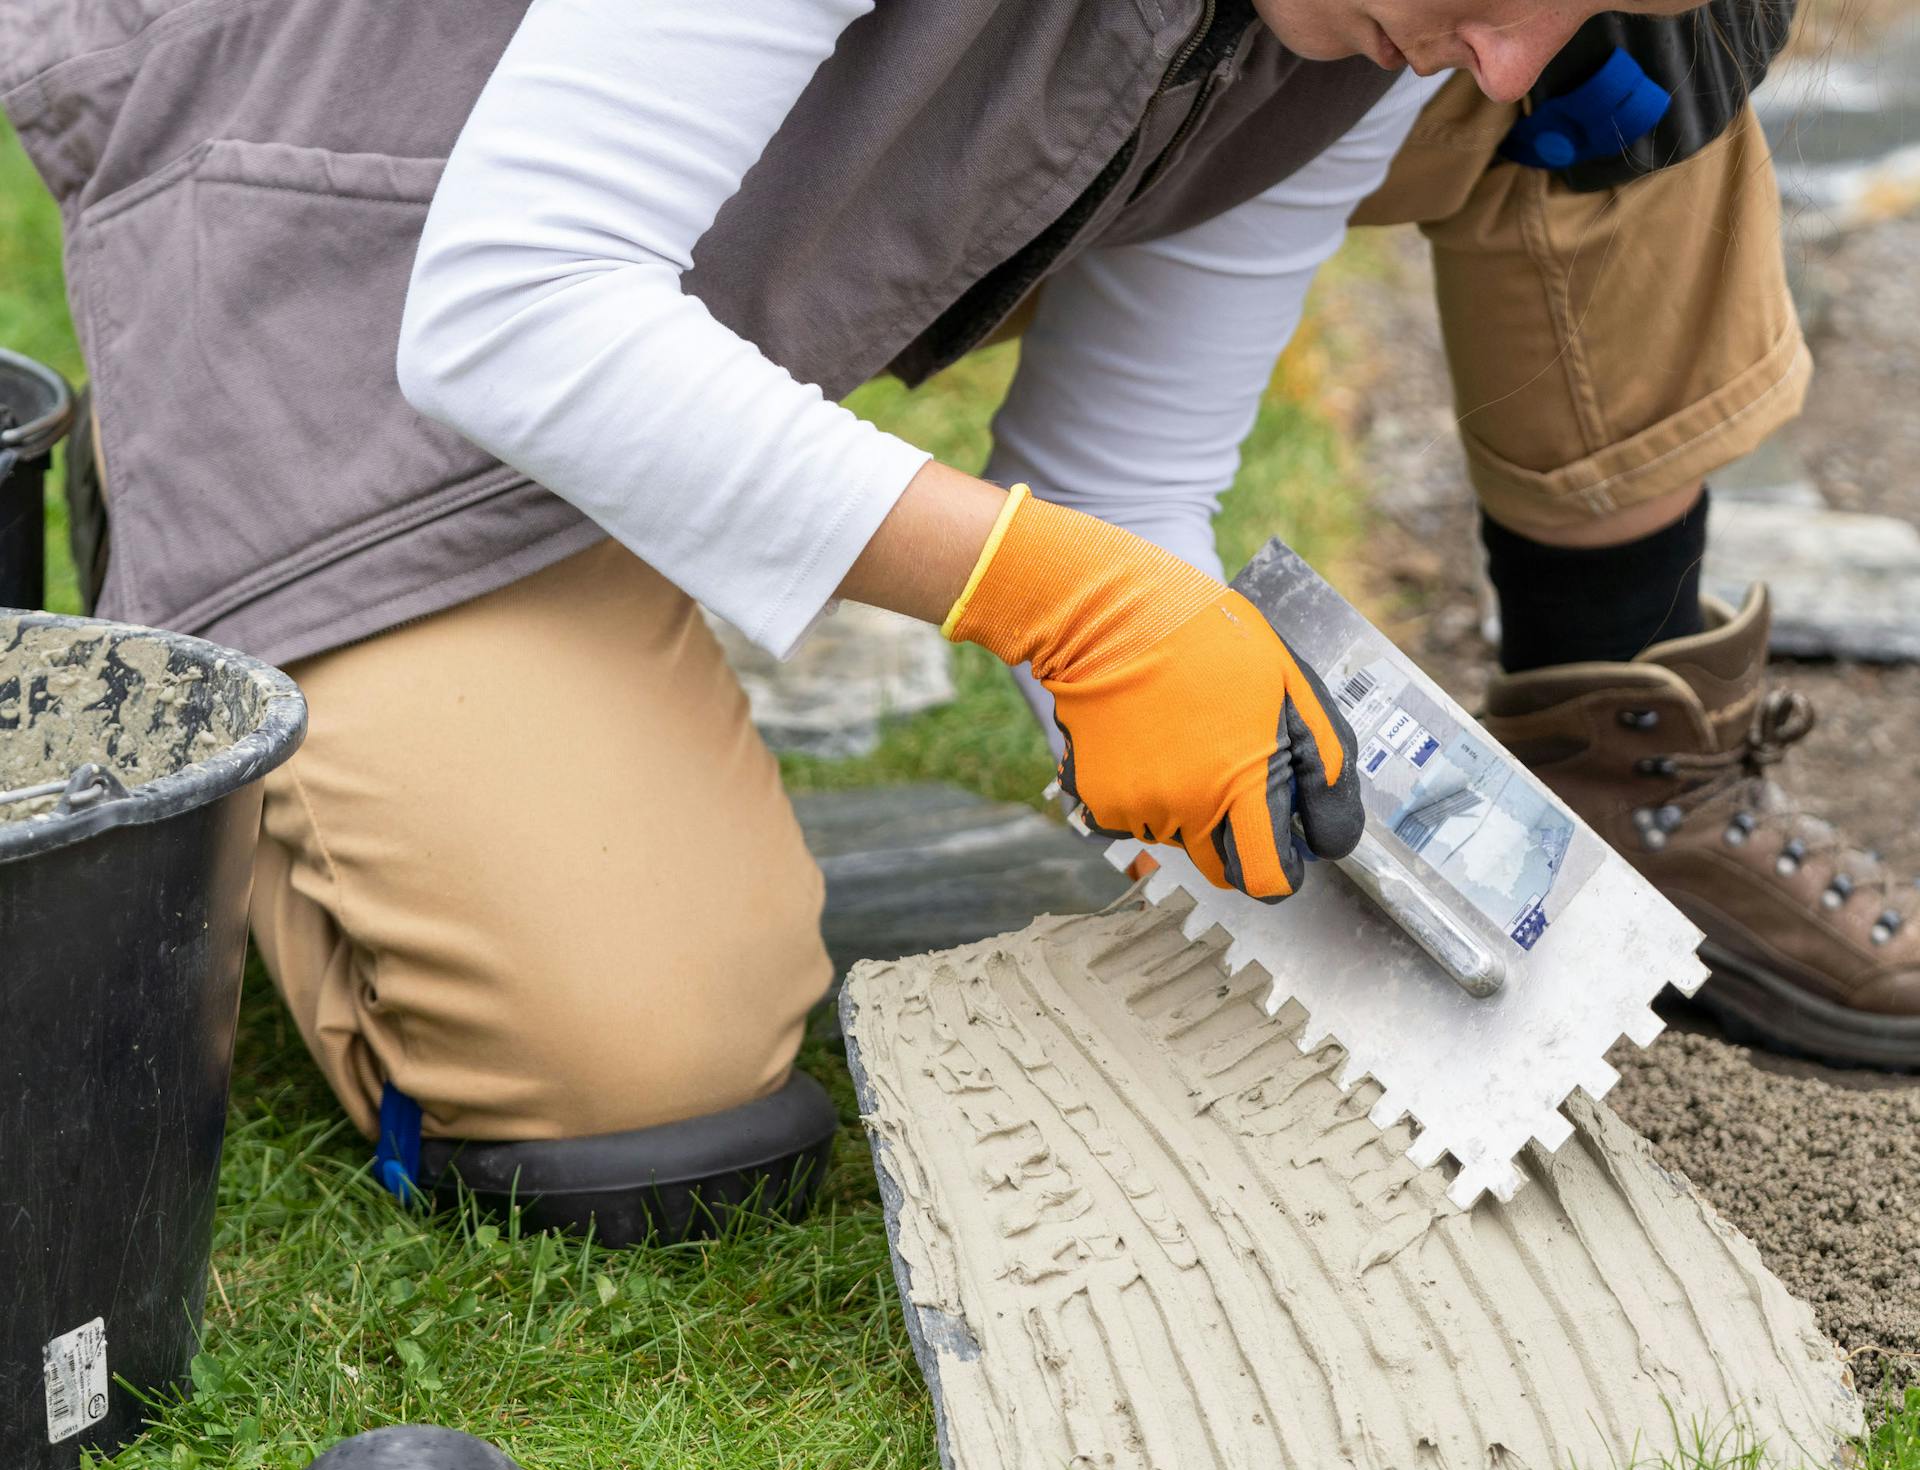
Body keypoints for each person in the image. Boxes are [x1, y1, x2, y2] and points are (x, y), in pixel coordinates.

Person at [5, 0, 1910, 1247]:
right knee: (634, 1093)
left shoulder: (1398, 25)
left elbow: (1121, 476)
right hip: (352, 253)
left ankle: (654, 508)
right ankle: (237, 567)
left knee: (1571, 108)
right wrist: (1054, 605)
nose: (1499, 69)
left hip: (685, 248)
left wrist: (1265, 807)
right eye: (1494, 1)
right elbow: (516, 307)